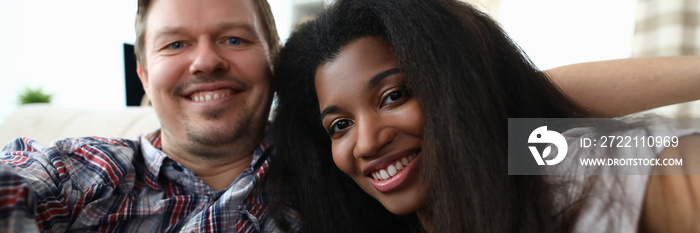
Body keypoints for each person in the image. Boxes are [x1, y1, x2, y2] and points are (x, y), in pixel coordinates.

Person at [268, 0, 700, 232]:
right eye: (339, 125)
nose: (366, 141)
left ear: (454, 89)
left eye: (394, 95)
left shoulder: (545, 160)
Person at [0, 0, 303, 232]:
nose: (207, 61)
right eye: (175, 44)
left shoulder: (333, 172)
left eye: (234, 39)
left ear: (274, 58)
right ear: (143, 75)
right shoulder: (78, 173)